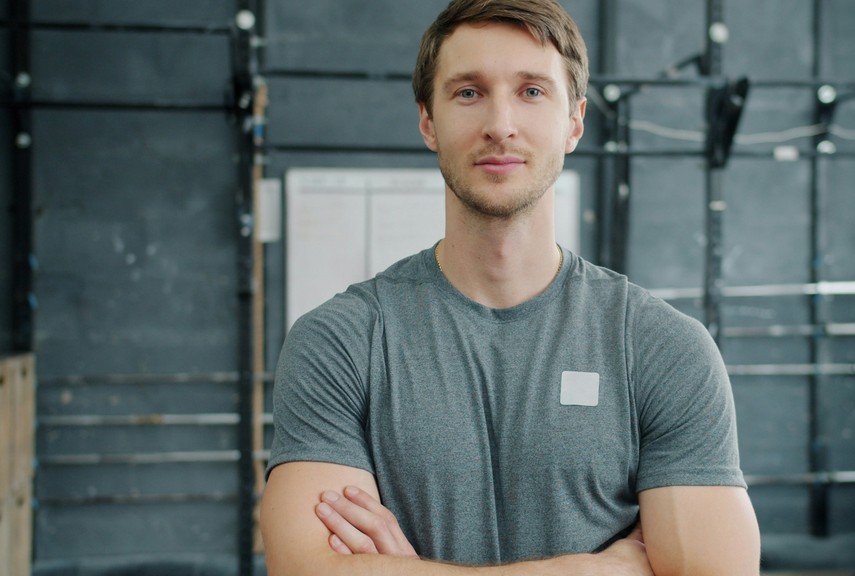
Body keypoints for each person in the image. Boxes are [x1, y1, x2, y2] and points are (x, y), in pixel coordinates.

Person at [260, 0, 761, 574]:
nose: (500, 124)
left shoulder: (660, 347)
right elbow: (305, 568)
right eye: (468, 92)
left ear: (574, 121)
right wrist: (603, 568)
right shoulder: (341, 342)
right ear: (428, 121)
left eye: (531, 91)